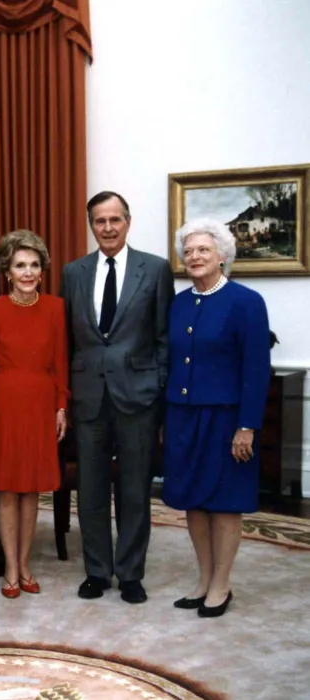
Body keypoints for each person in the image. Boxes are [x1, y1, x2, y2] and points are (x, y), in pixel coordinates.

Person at [61, 191, 174, 604]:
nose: (107, 228)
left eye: (115, 220)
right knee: (90, 490)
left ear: (128, 221)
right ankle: (96, 571)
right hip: (89, 396)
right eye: (99, 221)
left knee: (134, 489)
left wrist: (158, 389)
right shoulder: (74, 272)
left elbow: (164, 337)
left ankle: (130, 574)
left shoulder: (155, 269)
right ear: (91, 224)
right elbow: (67, 339)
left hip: (138, 397)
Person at [163, 219, 270, 618]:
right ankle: (204, 579)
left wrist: (247, 426)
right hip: (183, 416)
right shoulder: (179, 303)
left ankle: (221, 585)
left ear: (222, 255)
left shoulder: (246, 302)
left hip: (226, 421)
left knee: (225, 503)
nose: (194, 256)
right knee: (193, 500)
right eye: (189, 251)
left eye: (203, 249)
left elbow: (256, 369)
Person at [0, 230, 68, 598]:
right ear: (7, 272)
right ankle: (10, 567)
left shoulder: (56, 308)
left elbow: (60, 363)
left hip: (40, 404)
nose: (27, 272)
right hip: (4, 405)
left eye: (34, 265)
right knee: (6, 487)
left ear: (42, 271)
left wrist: (61, 406)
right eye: (20, 265)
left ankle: (26, 563)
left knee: (31, 488)